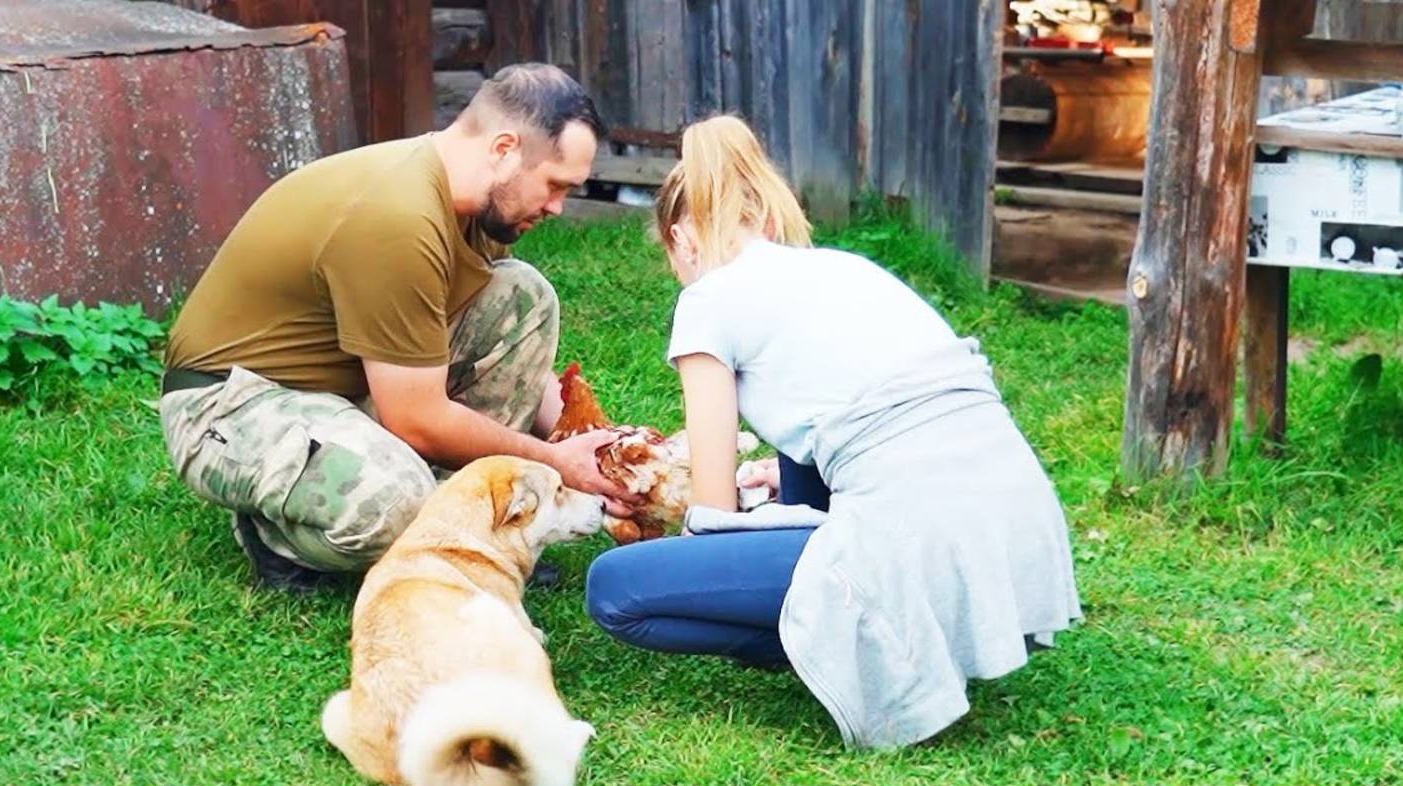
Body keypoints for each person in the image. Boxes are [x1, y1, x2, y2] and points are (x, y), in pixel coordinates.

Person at [583, 115, 1083, 748]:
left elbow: (710, 514)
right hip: (1016, 535)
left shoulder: (707, 300)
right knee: (794, 474)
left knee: (614, 588)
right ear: (766, 221)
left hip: (914, 543)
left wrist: (677, 514)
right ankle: (862, 620)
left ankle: (848, 643)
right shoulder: (846, 270)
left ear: (681, 239)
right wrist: (780, 489)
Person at [159, 64, 636, 593]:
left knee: (522, 295)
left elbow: (514, 365)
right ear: (504, 149)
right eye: (554, 184)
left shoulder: (471, 205)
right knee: (401, 504)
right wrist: (555, 464)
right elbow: (417, 418)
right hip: (230, 405)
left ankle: (461, 518)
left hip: (349, 388)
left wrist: (597, 448)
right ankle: (274, 533)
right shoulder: (399, 217)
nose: (558, 207)